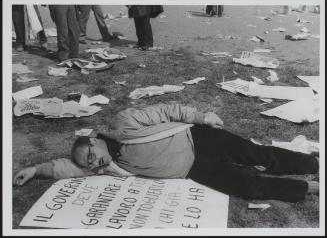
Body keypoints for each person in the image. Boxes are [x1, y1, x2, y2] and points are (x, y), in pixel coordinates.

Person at [13, 104, 319, 202]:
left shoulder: (122, 123)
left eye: (91, 158)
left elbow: (165, 110)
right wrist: (37, 169)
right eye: (90, 167)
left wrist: (202, 117)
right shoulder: (104, 166)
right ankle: (308, 188)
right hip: (194, 169)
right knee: (249, 187)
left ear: (93, 141)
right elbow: (68, 167)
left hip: (199, 140)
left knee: (259, 156)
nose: (94, 166)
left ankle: (312, 164)